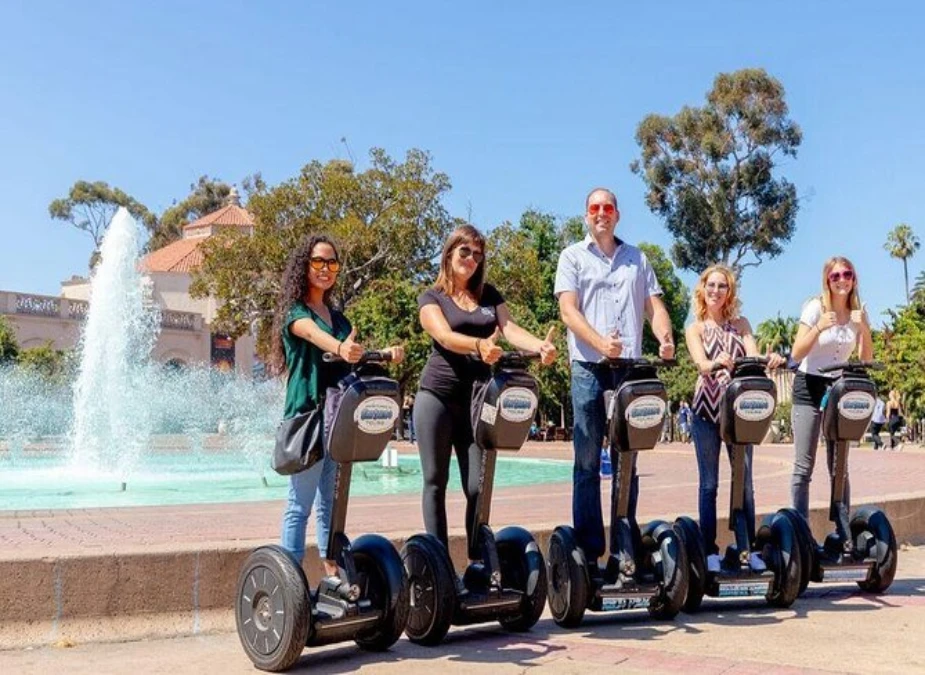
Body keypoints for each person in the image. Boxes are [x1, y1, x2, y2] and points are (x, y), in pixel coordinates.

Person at [415, 224, 556, 584]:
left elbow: (510, 329)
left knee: (477, 486)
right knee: (436, 480)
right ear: (449, 254)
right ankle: (439, 564)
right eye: (465, 252)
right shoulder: (432, 298)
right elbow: (444, 336)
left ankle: (478, 562)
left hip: (478, 402)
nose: (471, 260)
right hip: (437, 396)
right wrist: (478, 346)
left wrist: (539, 345)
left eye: (478, 255)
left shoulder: (488, 295)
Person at [554, 187, 675, 573]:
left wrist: (665, 336)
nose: (601, 213)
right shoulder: (572, 256)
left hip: (629, 370)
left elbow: (654, 305)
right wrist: (600, 343)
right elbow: (568, 312)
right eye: (594, 208)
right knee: (587, 461)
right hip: (589, 366)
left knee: (627, 462)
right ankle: (589, 552)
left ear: (617, 215)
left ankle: (624, 548)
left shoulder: (636, 258)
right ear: (586, 215)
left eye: (608, 208)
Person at [271, 235, 405, 582]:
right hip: (308, 417)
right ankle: (291, 581)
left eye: (332, 263)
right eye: (318, 262)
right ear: (305, 265)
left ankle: (333, 575)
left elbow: (353, 352)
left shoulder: (339, 318)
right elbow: (316, 337)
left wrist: (386, 353)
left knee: (330, 502)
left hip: (338, 419)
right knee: (299, 504)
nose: (325, 269)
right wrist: (341, 347)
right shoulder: (295, 313)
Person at [685, 264, 786, 570]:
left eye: (722, 286)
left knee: (745, 482)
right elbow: (701, 364)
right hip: (706, 411)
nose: (716, 291)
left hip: (738, 413)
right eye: (711, 285)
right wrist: (714, 361)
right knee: (709, 484)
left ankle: (747, 547)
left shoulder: (741, 324)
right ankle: (709, 550)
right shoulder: (696, 327)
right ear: (703, 289)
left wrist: (768, 360)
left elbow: (752, 355)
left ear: (730, 292)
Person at [789, 256, 872, 519]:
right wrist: (818, 327)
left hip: (839, 389)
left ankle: (841, 529)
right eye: (835, 276)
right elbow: (797, 352)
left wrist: (864, 329)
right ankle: (800, 530)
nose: (842, 280)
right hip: (809, 386)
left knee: (839, 467)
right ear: (827, 280)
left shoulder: (859, 312)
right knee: (804, 466)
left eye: (847, 274)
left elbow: (866, 359)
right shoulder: (816, 308)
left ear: (854, 279)